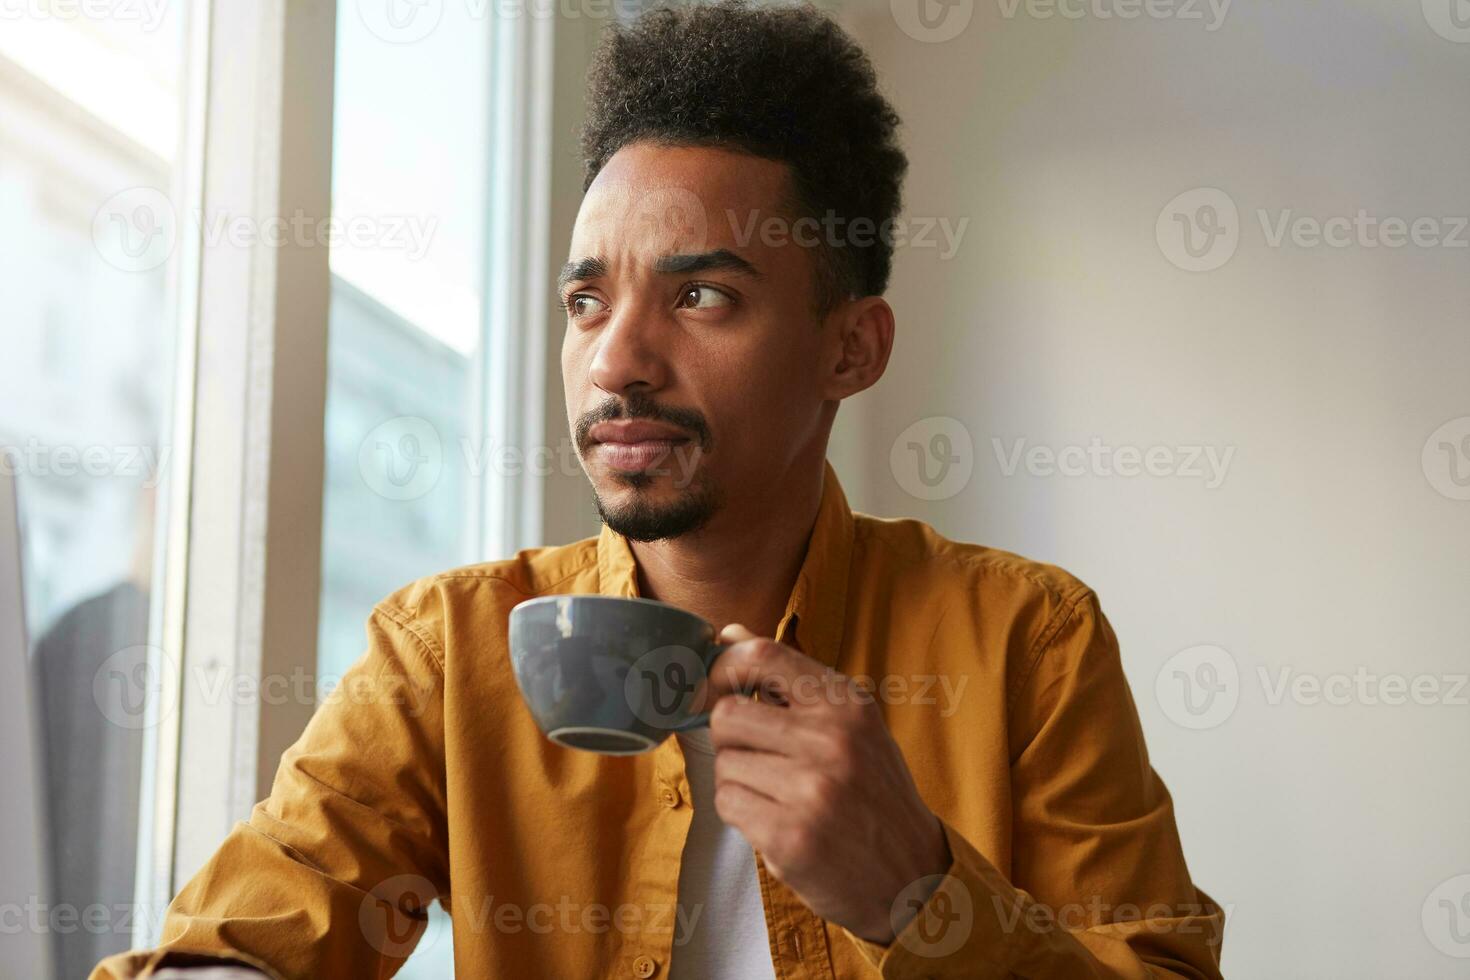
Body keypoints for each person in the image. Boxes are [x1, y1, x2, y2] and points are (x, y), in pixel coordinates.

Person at [95, 2, 1224, 977]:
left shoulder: (1030, 641)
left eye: (703, 298)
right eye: (588, 301)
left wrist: (920, 893)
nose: (616, 359)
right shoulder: (447, 653)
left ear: (852, 349)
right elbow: (247, 934)